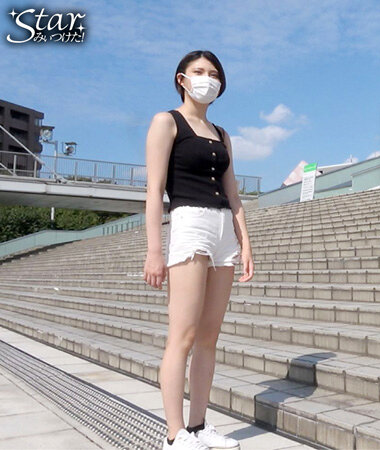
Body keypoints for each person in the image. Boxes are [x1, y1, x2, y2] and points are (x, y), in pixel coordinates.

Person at [143, 50, 254, 450]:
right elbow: (154, 190)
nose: (208, 78)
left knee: (209, 336)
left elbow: (233, 194)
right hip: (189, 223)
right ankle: (174, 434)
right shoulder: (166, 122)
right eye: (199, 71)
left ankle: (199, 424)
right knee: (183, 335)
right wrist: (154, 251)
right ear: (182, 79)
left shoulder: (222, 134)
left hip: (224, 230)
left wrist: (245, 243)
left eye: (214, 73)